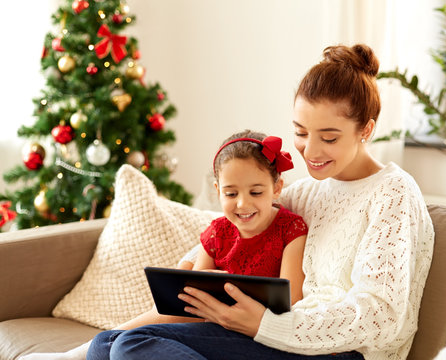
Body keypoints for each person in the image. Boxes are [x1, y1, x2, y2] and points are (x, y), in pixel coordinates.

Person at [85, 43, 435, 360]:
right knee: (105, 345)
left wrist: (265, 325)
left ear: (366, 130)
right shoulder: (306, 194)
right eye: (300, 133)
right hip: (275, 337)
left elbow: (380, 316)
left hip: (340, 352)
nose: (310, 151)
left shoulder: (393, 193)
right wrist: (191, 269)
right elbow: (239, 229)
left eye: (328, 138)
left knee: (131, 346)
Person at [21, 130, 307, 360]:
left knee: (128, 347)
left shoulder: (289, 228)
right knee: (101, 345)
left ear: (277, 187)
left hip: (252, 335)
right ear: (218, 190)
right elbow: (191, 296)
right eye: (231, 193)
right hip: (206, 326)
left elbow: (291, 299)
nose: (243, 204)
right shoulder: (218, 231)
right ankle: (75, 355)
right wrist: (201, 285)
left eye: (256, 192)